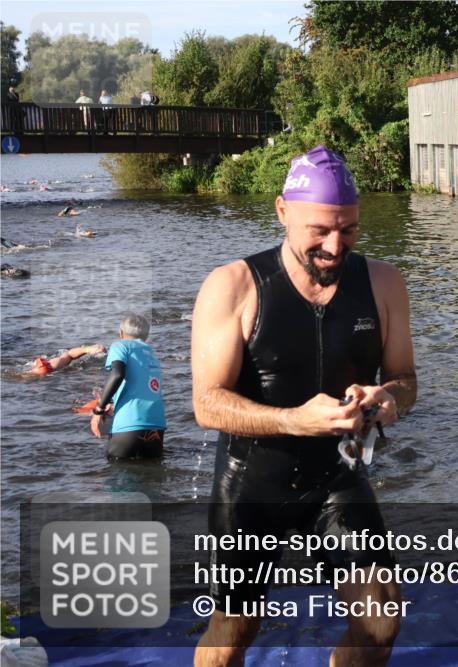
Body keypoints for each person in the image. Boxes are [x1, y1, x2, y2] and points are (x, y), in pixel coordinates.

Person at [191, 145, 417, 667]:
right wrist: (293, 419)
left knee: (380, 623)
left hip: (338, 474)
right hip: (253, 479)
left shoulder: (384, 283)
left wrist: (387, 400)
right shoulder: (233, 287)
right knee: (233, 634)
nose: (335, 246)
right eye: (320, 230)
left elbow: (405, 380)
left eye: (350, 229)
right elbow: (207, 404)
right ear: (282, 211)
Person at [90, 314, 166, 459]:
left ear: (121, 333)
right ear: (146, 336)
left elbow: (117, 375)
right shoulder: (151, 352)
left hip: (129, 425)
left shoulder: (120, 345)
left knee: (117, 473)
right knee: (151, 478)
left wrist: (99, 410)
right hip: (157, 426)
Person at [29, 344, 105, 377]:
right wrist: (86, 349)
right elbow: (69, 355)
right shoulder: (47, 367)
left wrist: (87, 349)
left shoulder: (44, 367)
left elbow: (69, 355)